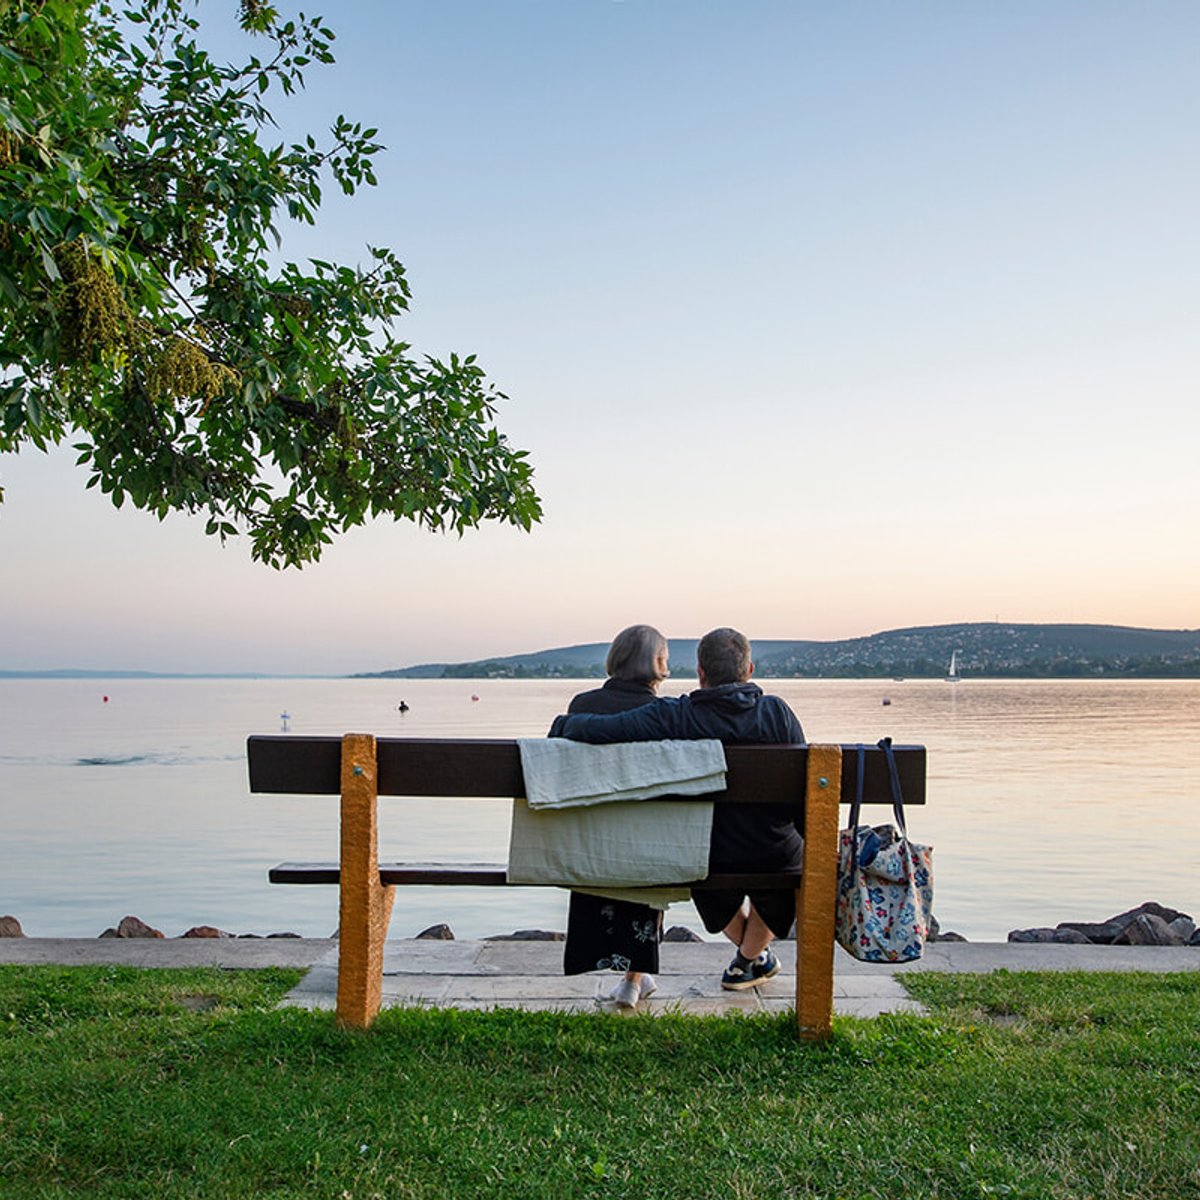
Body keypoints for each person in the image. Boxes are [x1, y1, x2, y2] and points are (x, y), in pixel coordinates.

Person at [549, 627, 803, 992]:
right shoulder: (777, 713)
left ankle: (750, 960)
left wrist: (564, 725)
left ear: (701, 673)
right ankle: (748, 961)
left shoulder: (678, 714)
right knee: (788, 867)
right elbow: (801, 786)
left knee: (700, 871)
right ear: (749, 669)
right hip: (775, 851)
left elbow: (610, 728)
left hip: (705, 851)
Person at [559, 624, 670, 1010]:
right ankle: (633, 981)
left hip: (590, 839)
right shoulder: (664, 714)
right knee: (648, 841)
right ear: (657, 665)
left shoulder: (580, 706)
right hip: (647, 842)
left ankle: (632, 977)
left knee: (617, 834)